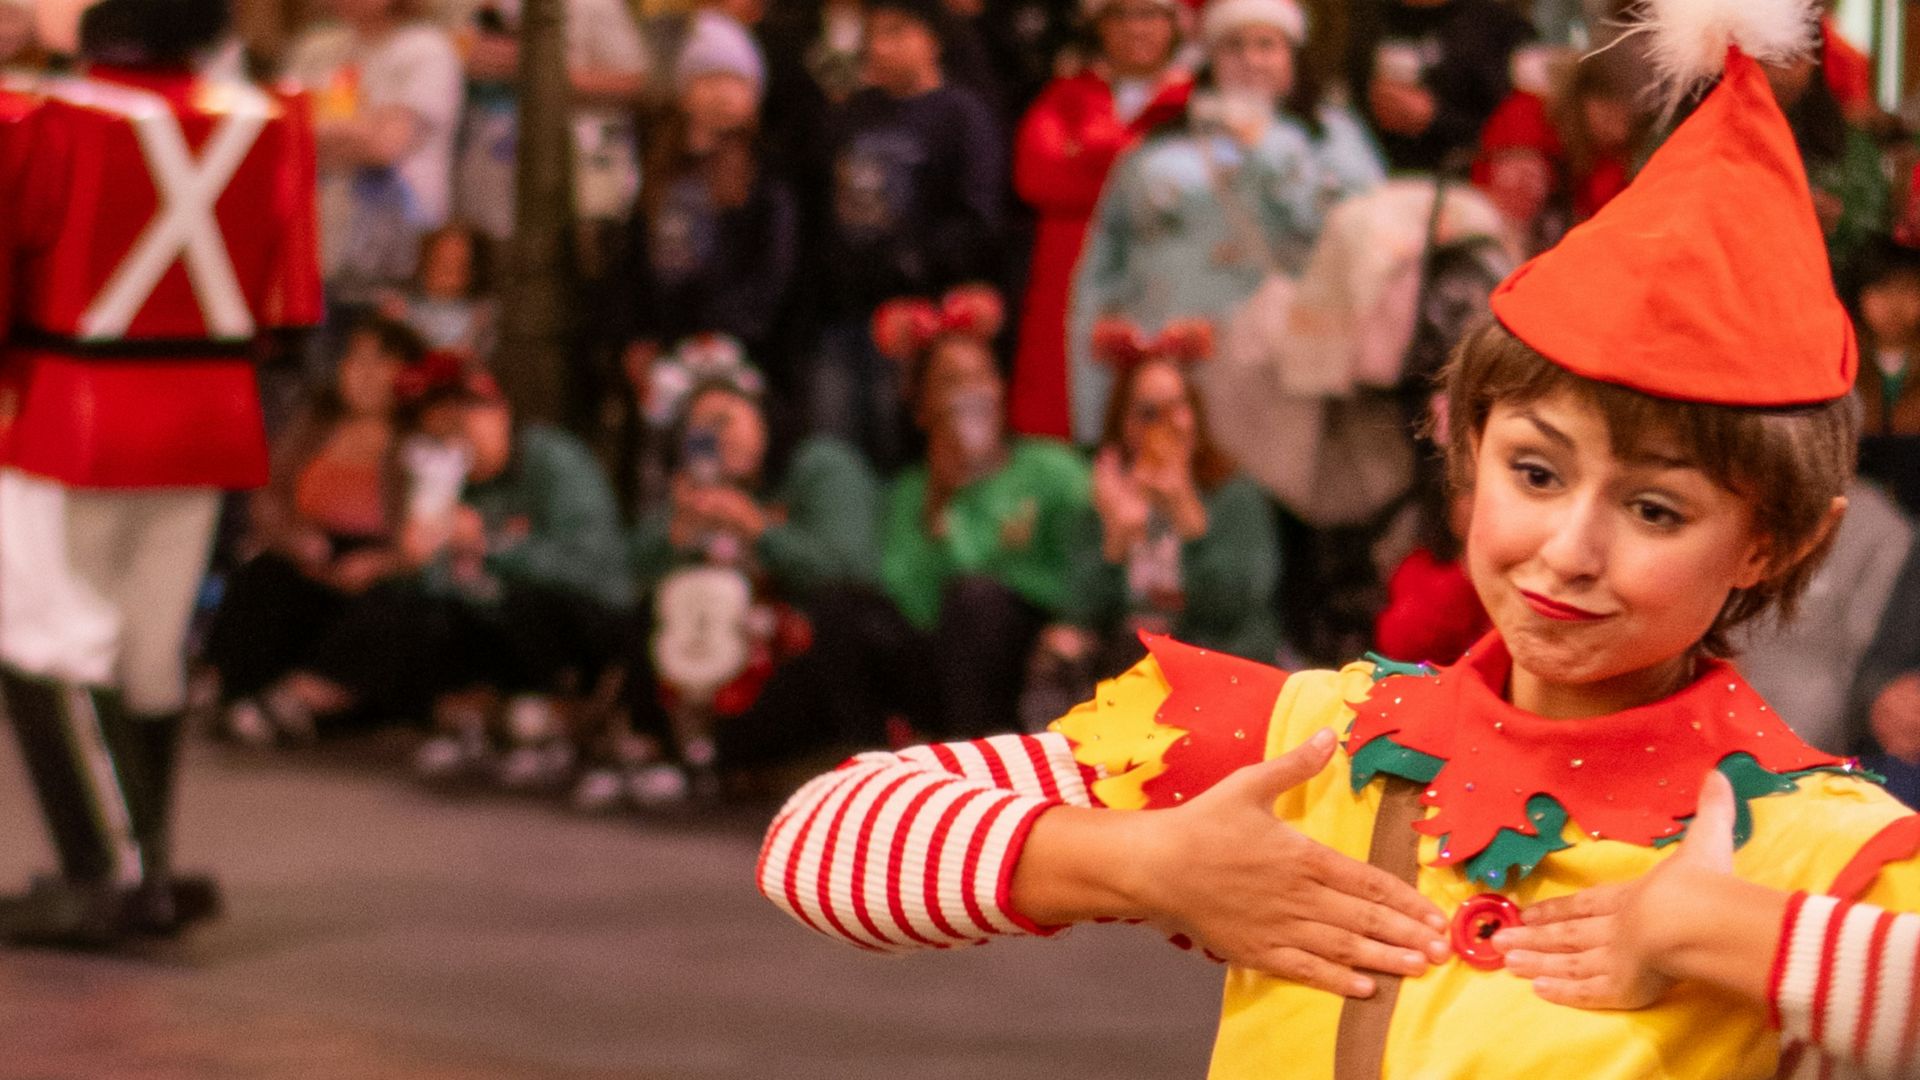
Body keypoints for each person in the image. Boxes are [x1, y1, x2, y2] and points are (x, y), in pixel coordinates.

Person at [756, 8, 1920, 1077]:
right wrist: (1147, 865)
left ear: (1771, 542)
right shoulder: (1321, 740)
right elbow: (821, 841)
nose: (1568, 548)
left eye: (1655, 509)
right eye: (1535, 470)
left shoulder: (1818, 843)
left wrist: (1726, 934)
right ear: (1466, 444)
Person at [0, 0, 322, 945]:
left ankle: (112, 873)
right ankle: (148, 860)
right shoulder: (268, 119)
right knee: (149, 649)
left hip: (67, 412)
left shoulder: (43, 118)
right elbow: (290, 300)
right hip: (206, 417)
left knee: (48, 640)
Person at [1066, 0, 1383, 444]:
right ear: (1211, 58)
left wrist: (1274, 149)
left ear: (1292, 54)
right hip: (1174, 375)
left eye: (1266, 45)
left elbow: (1364, 239)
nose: (1251, 59)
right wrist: (1096, 405)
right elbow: (1100, 280)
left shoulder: (1330, 135)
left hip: (1286, 375)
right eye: (1234, 45)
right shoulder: (1160, 145)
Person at [604, 358, 879, 805]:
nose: (717, 436)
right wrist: (676, 537)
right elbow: (619, 577)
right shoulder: (695, 489)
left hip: (805, 647)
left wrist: (760, 531)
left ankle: (749, 758)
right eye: (701, 428)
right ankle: (668, 749)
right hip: (718, 651)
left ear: (761, 412)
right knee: (667, 600)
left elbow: (849, 571)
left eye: (726, 418)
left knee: (836, 616)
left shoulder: (820, 466)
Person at [869, 287, 1092, 739]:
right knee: (849, 611)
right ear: (922, 405)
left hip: (1030, 650)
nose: (973, 393)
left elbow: (1080, 575)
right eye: (952, 382)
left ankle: (976, 749)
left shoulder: (1050, 469)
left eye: (983, 376)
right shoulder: (914, 491)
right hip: (941, 657)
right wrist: (944, 502)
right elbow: (912, 606)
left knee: (977, 600)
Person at [203, 318, 425, 746]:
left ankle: (301, 699)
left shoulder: (416, 438)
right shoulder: (316, 423)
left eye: (379, 364)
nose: (363, 374)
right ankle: (231, 687)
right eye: (354, 361)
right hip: (312, 549)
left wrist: (383, 561)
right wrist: (294, 538)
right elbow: (269, 495)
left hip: (382, 559)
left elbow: (425, 527)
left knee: (394, 608)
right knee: (263, 577)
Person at [1034, 320, 1278, 704]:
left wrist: (1189, 520)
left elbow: (1238, 606)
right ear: (1123, 424)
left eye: (1178, 407)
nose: (1166, 425)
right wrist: (1115, 538)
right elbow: (1076, 611)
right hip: (1129, 660)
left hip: (1214, 659)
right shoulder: (1106, 494)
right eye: (1149, 413)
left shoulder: (1233, 494)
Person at [810, 0, 1005, 470]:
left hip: (921, 323)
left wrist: (912, 272)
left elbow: (979, 222)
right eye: (872, 35)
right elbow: (825, 215)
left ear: (931, 40)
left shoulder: (962, 115)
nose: (879, 47)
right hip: (845, 315)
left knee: (902, 458)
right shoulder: (851, 115)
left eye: (896, 32)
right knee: (834, 455)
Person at [1006, 0, 1191, 440]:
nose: (1137, 28)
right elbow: (1036, 177)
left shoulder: (1192, 103)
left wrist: (1089, 154)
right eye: (1122, 15)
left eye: (1151, 15)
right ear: (1101, 26)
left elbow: (1194, 194)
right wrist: (1136, 162)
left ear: (1173, 26)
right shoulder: (1065, 96)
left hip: (1164, 287)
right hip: (1068, 291)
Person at [607, 15, 800, 389]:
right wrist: (635, 336)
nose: (724, 93)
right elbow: (632, 263)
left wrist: (717, 335)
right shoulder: (658, 171)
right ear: (685, 90)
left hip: (734, 358)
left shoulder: (766, 178)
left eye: (737, 81)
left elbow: (772, 274)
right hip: (663, 354)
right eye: (710, 78)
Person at [282, 0, 461, 329]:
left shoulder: (427, 50)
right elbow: (281, 134)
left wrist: (316, 128)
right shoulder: (319, 50)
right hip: (319, 250)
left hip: (398, 260)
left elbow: (384, 145)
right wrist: (361, 126)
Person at [450, 0, 650, 275]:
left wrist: (540, 71)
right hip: (482, 189)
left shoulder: (595, 5)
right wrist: (458, 60)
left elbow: (636, 83)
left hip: (576, 187)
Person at [1473, 49, 1654, 257]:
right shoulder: (1529, 119)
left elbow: (1608, 224)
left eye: (1630, 125)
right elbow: (1512, 207)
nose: (1619, 132)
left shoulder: (1607, 158)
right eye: (1608, 116)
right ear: (1582, 95)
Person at [1344, 0, 1534, 174]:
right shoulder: (1356, 17)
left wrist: (1436, 118)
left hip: (1463, 190)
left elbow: (1520, 143)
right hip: (1367, 181)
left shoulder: (1499, 27)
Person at [378, 223, 496, 361]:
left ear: (472, 271)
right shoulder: (401, 308)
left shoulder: (480, 315)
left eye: (456, 265)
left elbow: (467, 357)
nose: (444, 273)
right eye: (439, 261)